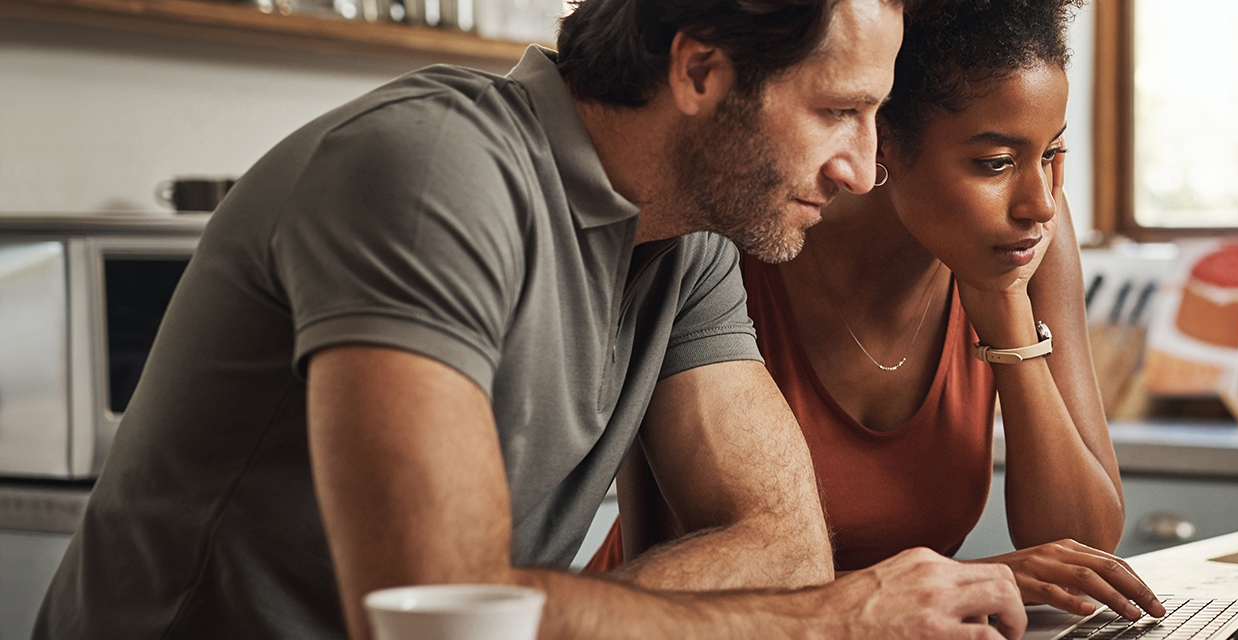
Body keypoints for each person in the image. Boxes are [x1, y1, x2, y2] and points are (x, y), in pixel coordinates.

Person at [33, 0, 1030, 638]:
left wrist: (555, 613)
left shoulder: (689, 242)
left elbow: (782, 546)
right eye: (835, 112)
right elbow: (439, 609)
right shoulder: (431, 171)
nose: (859, 168)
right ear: (699, 72)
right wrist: (825, 623)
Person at [585, 0, 1165, 622]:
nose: (1041, 202)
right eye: (995, 163)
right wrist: (966, 581)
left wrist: (1006, 314)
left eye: (1052, 153)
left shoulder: (1024, 236)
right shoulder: (752, 223)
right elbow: (683, 558)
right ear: (884, 138)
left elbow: (1086, 541)